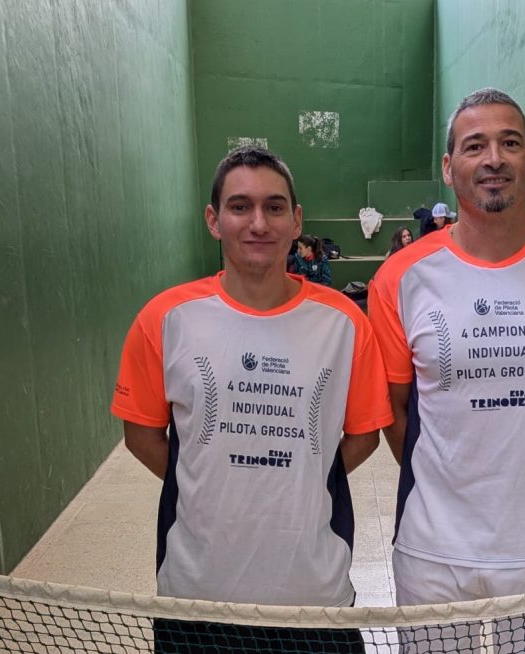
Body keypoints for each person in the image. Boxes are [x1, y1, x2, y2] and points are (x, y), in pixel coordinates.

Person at [111, 146, 393, 653]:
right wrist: (213, 480)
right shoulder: (164, 319)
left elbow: (364, 436)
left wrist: (300, 474)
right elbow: (140, 435)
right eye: (240, 207)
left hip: (315, 601)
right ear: (213, 220)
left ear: (296, 221)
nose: (258, 223)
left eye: (274, 207)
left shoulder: (346, 324)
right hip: (196, 601)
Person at [368, 88, 525, 652]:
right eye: (474, 145)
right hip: (433, 551)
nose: (494, 159)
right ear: (448, 167)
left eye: (510, 143)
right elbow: (395, 413)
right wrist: (454, 473)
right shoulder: (399, 279)